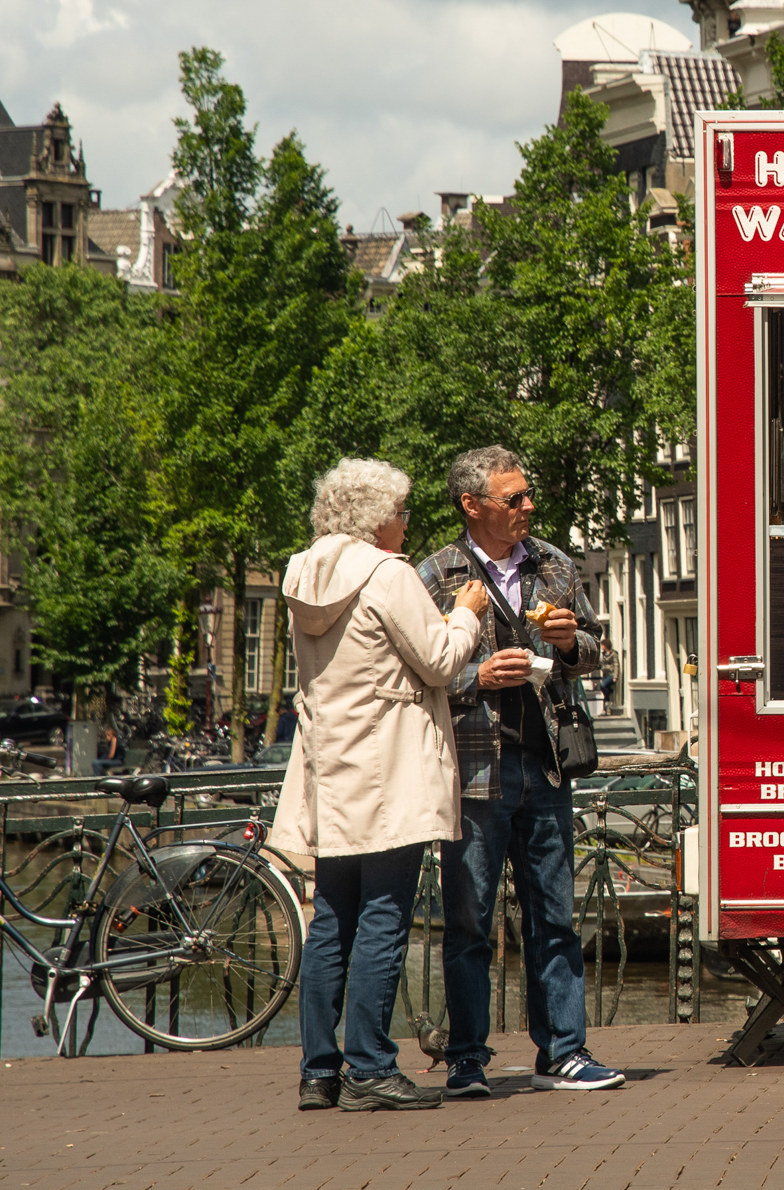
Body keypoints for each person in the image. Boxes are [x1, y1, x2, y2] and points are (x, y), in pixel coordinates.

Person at [272, 457, 490, 1113]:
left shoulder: (303, 573)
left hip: (331, 769)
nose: (406, 521)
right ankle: (370, 1063)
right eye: (400, 510)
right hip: (390, 767)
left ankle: (319, 1070)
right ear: (373, 518)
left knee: (332, 914)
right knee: (386, 912)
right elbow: (443, 662)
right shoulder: (388, 574)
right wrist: (467, 612)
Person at [416, 445, 623, 1096]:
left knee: (555, 914)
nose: (530, 506)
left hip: (548, 766)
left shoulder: (555, 563)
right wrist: (475, 675)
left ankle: (564, 1048)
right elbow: (415, 676)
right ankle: (467, 1059)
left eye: (529, 494)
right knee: (471, 921)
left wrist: (569, 644)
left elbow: (599, 649)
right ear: (472, 505)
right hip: (474, 775)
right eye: (515, 499)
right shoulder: (434, 576)